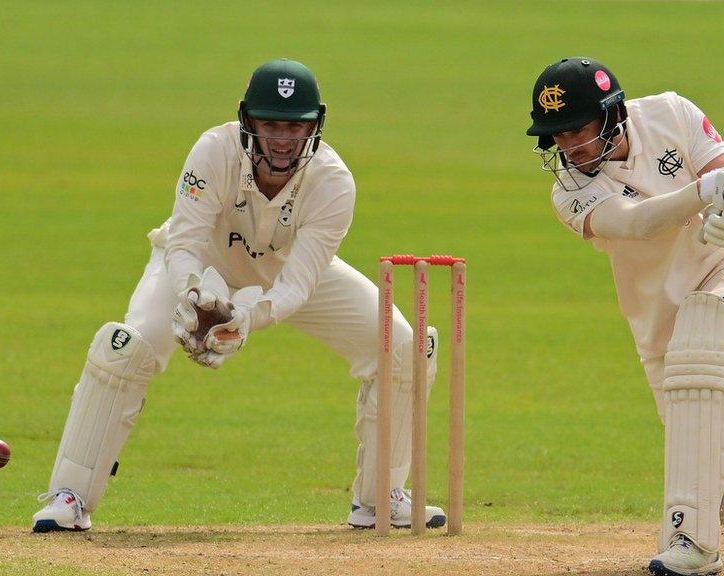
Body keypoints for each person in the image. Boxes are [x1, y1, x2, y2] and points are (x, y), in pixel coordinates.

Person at [32, 58, 445, 533]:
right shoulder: (213, 150)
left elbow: (298, 284)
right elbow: (184, 243)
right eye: (271, 124)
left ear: (316, 126)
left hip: (285, 271)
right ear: (248, 121)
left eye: (296, 126)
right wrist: (194, 297)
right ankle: (70, 496)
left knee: (403, 347)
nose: (283, 139)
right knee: (126, 347)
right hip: (198, 267)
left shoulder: (333, 181)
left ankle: (380, 499)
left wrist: (246, 317)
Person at [526, 57, 724, 576]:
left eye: (577, 129)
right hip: (660, 318)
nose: (568, 146)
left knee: (706, 341)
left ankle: (691, 546)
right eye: (556, 135)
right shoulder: (569, 192)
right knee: (708, 460)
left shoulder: (673, 112)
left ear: (611, 114)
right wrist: (708, 195)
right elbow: (636, 222)